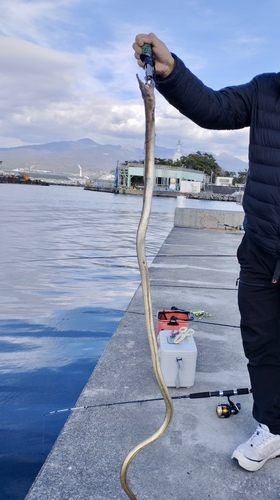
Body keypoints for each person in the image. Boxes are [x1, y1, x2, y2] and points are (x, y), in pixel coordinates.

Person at [133, 32, 280, 472]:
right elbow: (214, 108)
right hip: (260, 251)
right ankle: (273, 429)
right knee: (262, 344)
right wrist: (171, 73)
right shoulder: (265, 88)